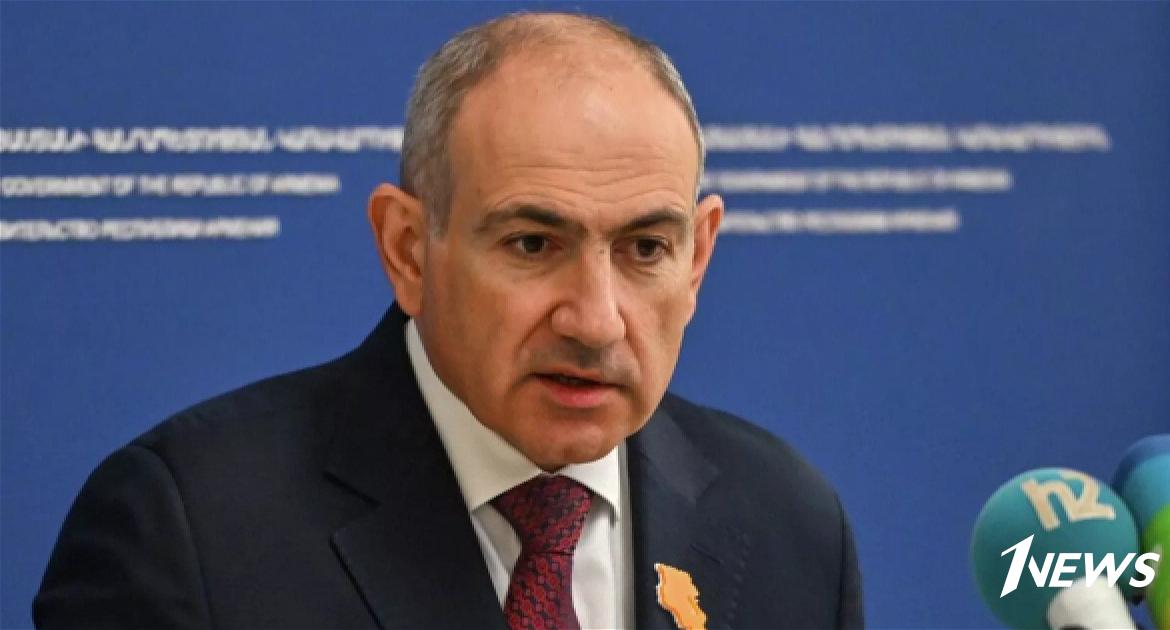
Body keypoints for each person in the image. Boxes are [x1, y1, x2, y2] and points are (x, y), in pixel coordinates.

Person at [35, 12, 862, 629]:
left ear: (699, 258)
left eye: (646, 248)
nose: (596, 321)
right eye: (533, 243)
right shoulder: (189, 534)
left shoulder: (789, 525)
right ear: (407, 250)